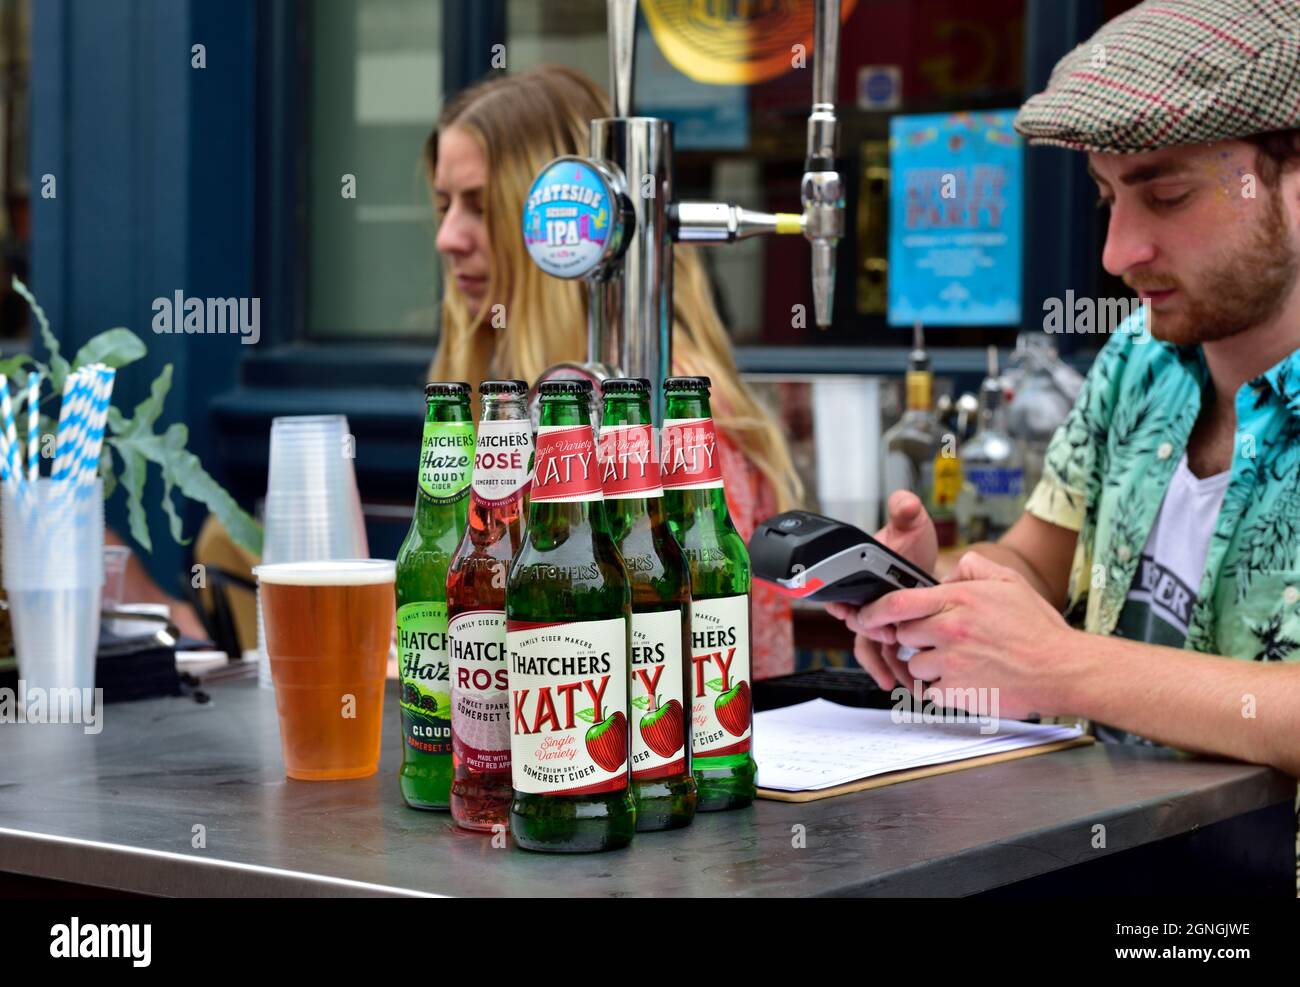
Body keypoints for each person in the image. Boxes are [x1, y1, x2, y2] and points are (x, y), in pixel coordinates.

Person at [828, 0, 1300, 778]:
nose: (1117, 253)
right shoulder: (1135, 359)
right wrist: (933, 598)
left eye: (1168, 195)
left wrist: (1063, 664)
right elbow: (1035, 561)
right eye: (1107, 199)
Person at [425, 64, 804, 679]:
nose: (447, 237)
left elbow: (682, 666)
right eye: (444, 205)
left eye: (480, 205)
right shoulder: (514, 390)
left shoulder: (663, 406)